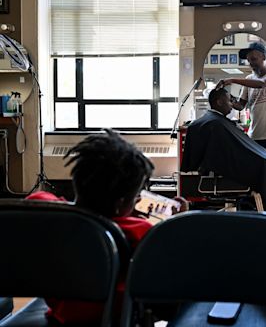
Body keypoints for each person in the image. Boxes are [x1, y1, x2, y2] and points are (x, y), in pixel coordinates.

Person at [27, 129, 187, 325]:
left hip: (61, 316)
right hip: (114, 318)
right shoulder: (138, 231)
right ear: (122, 203)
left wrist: (121, 209)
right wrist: (178, 226)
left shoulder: (45, 213)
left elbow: (45, 200)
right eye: (136, 195)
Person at [181, 87, 266, 211]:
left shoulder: (215, 121)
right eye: (230, 101)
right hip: (231, 171)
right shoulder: (215, 124)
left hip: (241, 164)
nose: (232, 105)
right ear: (219, 102)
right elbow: (232, 155)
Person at [217, 42, 266, 158]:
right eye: (249, 61)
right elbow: (240, 105)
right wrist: (227, 99)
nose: (251, 64)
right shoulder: (249, 79)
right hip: (254, 135)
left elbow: (263, 84)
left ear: (264, 57)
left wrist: (233, 80)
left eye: (254, 59)